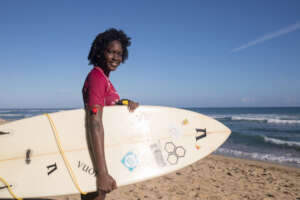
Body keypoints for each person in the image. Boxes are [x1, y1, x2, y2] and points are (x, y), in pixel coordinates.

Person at [82, 28, 139, 200]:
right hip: (96, 155)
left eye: (119, 54)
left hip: (103, 151)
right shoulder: (97, 78)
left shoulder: (104, 79)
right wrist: (102, 173)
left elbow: (106, 109)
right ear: (100, 52)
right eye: (111, 52)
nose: (116, 58)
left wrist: (124, 104)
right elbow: (94, 121)